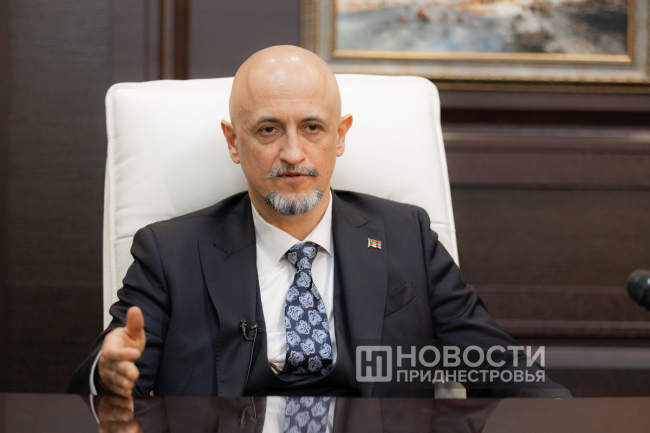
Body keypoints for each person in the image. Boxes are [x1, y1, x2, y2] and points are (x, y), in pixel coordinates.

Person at [69, 45, 570, 399]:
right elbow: (104, 376)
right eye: (269, 130)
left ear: (340, 135)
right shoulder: (169, 252)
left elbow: (498, 366)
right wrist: (107, 374)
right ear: (234, 141)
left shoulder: (406, 237)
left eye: (312, 127)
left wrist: (558, 414)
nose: (293, 153)